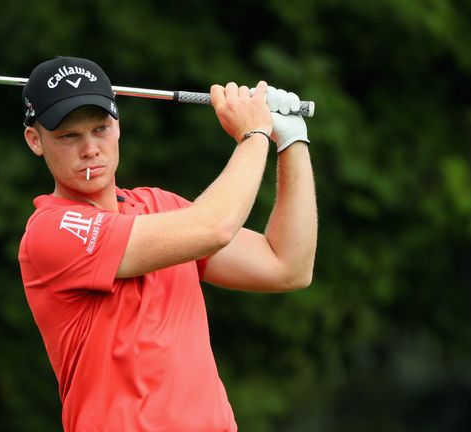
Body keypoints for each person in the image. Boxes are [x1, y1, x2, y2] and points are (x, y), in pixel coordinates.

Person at [18, 56, 317, 432]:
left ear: (118, 127)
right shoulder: (52, 231)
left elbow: (287, 265)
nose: (90, 148)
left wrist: (290, 140)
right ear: (35, 140)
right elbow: (214, 227)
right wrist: (254, 134)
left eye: (101, 129)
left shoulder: (160, 207)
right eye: (68, 136)